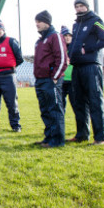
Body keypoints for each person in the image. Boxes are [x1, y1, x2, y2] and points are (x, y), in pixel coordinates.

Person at [68, 0, 104, 145]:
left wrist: (89, 49)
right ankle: (82, 134)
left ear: (87, 6)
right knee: (79, 102)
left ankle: (101, 137)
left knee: (95, 101)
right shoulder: (76, 25)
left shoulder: (96, 20)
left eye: (81, 6)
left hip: (91, 66)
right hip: (77, 67)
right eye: (76, 6)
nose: (79, 8)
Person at [33, 11, 68, 147]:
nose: (37, 24)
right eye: (36, 21)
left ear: (47, 22)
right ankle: (49, 137)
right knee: (45, 110)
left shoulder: (55, 37)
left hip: (50, 80)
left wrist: (55, 77)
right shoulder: (39, 41)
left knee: (54, 109)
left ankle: (57, 140)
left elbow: (62, 59)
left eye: (39, 21)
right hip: (40, 80)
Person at [61, 25, 74, 112]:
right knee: (61, 107)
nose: (68, 37)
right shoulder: (59, 49)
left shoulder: (75, 48)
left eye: (69, 35)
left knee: (77, 106)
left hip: (73, 80)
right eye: (65, 35)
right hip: (61, 80)